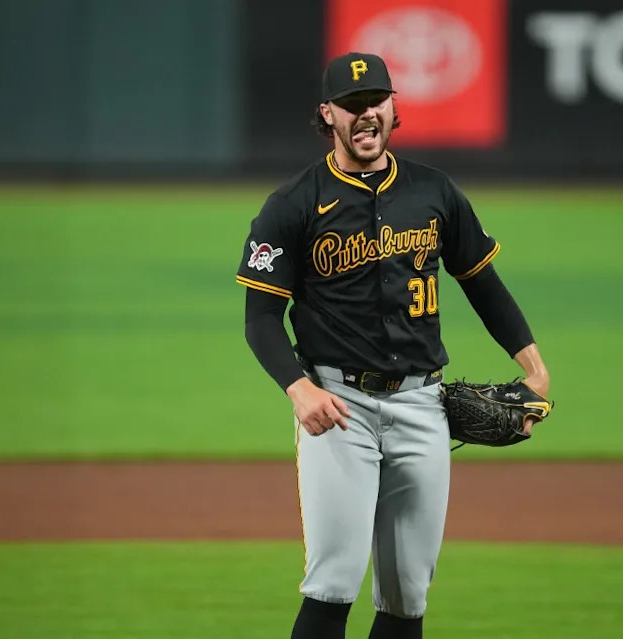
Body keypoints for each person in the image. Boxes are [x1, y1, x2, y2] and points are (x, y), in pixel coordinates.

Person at [236, 52, 551, 639]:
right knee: (332, 585)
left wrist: (533, 367)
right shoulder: (293, 203)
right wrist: (299, 389)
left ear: (392, 107)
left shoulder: (434, 191)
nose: (366, 115)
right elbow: (260, 319)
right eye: (351, 105)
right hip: (339, 408)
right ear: (327, 114)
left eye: (376, 102)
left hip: (423, 406)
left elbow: (481, 281)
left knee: (407, 596)